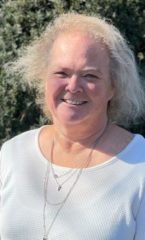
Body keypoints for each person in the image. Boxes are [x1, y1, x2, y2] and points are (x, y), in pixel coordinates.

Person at [1, 13, 145, 240]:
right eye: (61, 73)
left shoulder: (140, 166)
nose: (74, 86)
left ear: (113, 87)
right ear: (43, 78)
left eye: (90, 75)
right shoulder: (12, 154)